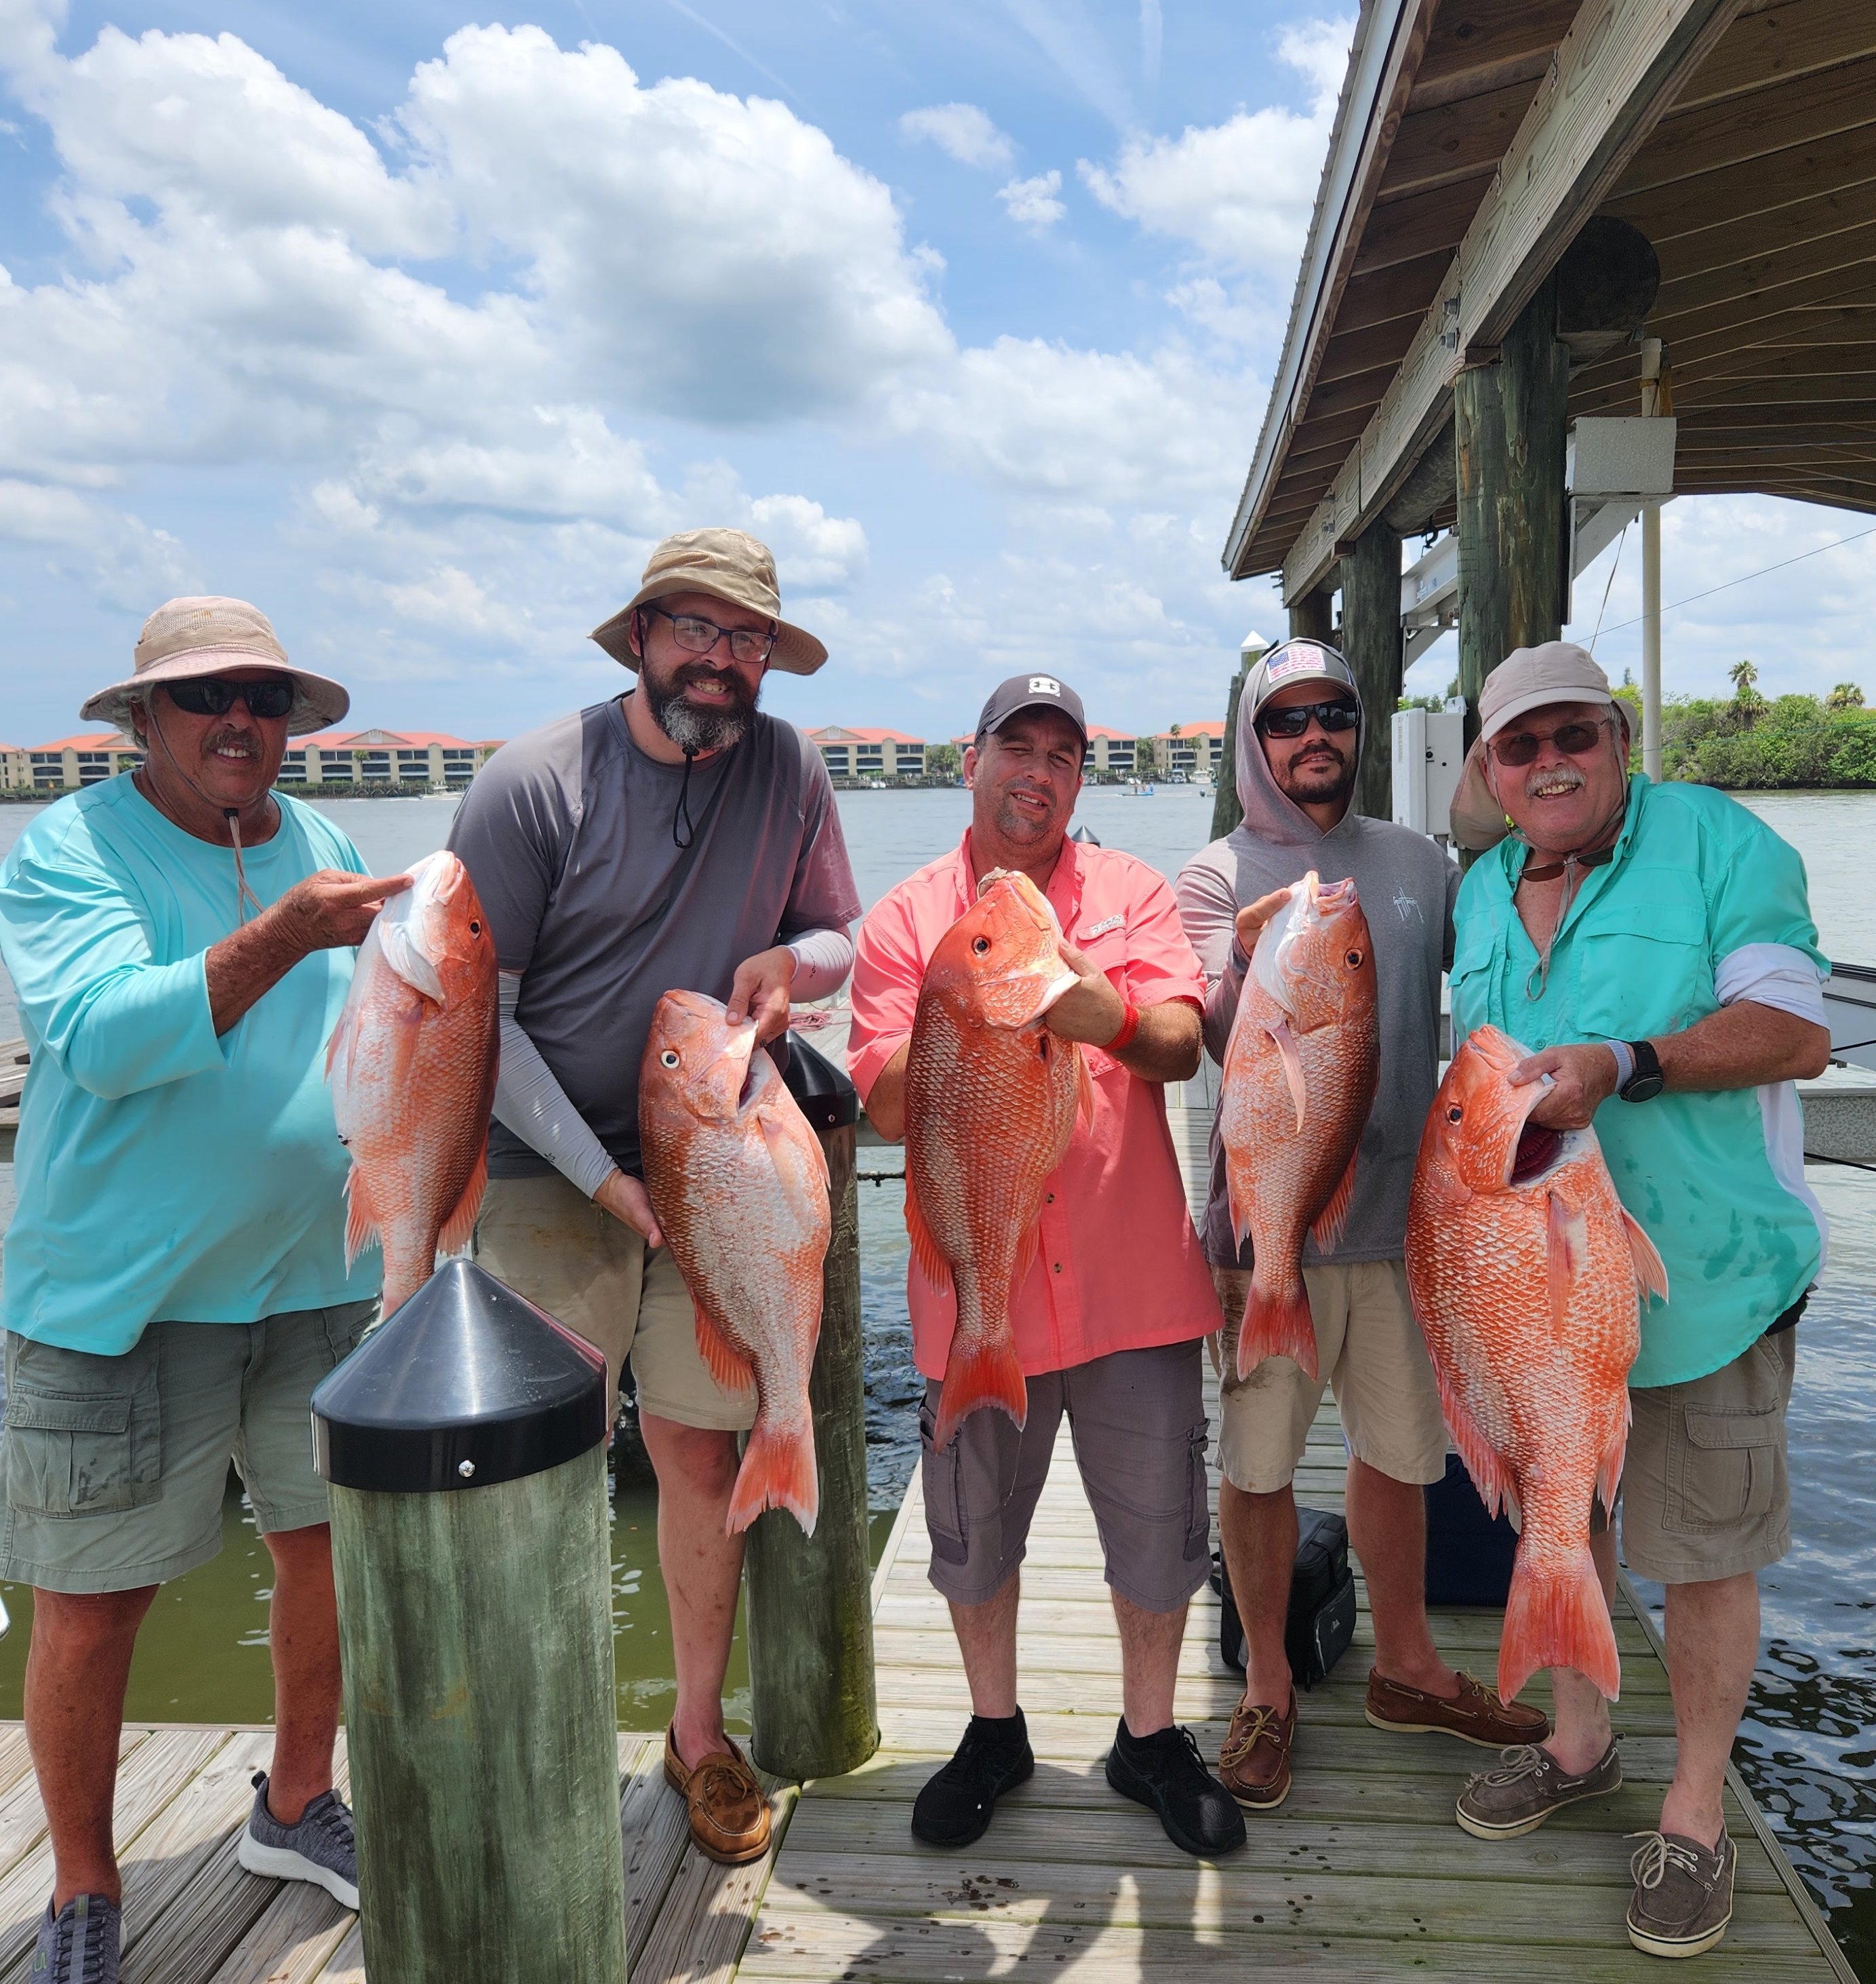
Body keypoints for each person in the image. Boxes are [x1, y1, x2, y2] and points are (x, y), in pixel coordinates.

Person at [0, 599, 408, 1981]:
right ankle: (82, 1887)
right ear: (142, 719)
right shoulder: (69, 849)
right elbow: (103, 1041)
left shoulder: (328, 844)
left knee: (327, 1552)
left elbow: (392, 1026)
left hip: (318, 1282)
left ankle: (296, 1800)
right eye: (206, 696)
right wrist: (288, 932)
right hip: (121, 1300)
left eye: (265, 698)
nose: (241, 719)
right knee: (91, 1599)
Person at [447, 528, 858, 1868]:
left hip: (722, 1162)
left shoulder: (792, 768)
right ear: (639, 637)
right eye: (695, 629)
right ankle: (530, 1742)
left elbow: (841, 935)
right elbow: (481, 1024)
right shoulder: (532, 783)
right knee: (535, 1465)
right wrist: (606, 1179)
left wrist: (794, 963)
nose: (720, 660)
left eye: (747, 639)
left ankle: (697, 1732)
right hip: (547, 1168)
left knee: (697, 1449)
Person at [1443, 641, 1829, 1961]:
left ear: (1618, 738)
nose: (1550, 764)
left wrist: (1627, 1061)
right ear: (1490, 772)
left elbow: (1795, 1032)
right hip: (1537, 1290)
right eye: (1521, 746)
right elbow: (1472, 1092)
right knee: (1562, 1511)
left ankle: (1697, 1814)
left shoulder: (1722, 843)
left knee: (1706, 1550)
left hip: (1710, 1287)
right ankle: (1579, 1740)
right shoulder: (1483, 892)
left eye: (1575, 736)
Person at [848, 673, 1243, 1859]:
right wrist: (959, 1011)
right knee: (974, 1536)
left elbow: (1179, 1042)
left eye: (1061, 755)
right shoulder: (905, 920)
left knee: (1161, 1532)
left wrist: (1089, 1008)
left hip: (1134, 1289)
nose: (1037, 771)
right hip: (979, 1290)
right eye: (1015, 747)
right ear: (971, 761)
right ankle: (992, 1731)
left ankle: (1150, 1737)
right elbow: (879, 1103)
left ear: (1080, 779)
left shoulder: (1131, 894)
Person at [1174, 639, 1548, 1810]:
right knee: (1258, 1464)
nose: (1313, 737)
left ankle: (1410, 1666)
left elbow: (1511, 953)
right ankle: (1268, 1684)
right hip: (1269, 1236)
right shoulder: (1213, 877)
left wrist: (1494, 791)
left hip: (1403, 1226)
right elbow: (1205, 1034)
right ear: (1254, 740)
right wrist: (1246, 965)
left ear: (1359, 726)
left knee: (1402, 1457)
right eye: (1286, 720)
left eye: (1333, 714)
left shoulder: (1419, 863)